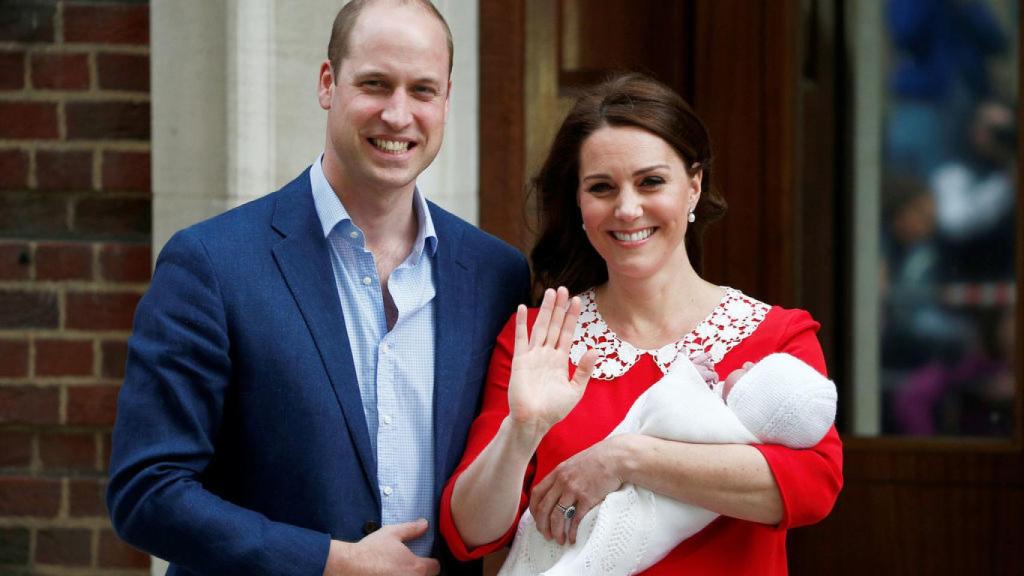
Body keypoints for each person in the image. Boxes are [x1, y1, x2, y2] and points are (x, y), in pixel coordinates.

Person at [106, 1, 528, 575]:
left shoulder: (496, 275)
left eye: (422, 90)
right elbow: (146, 493)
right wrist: (327, 562)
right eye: (375, 84)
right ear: (328, 83)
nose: (398, 115)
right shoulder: (210, 263)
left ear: (447, 99)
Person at [440, 73, 843, 574]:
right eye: (602, 188)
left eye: (651, 181)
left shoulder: (776, 336)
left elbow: (812, 487)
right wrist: (521, 432)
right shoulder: (542, 338)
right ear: (579, 205)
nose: (628, 209)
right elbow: (471, 534)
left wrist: (625, 459)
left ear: (693, 186)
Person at [500, 352, 837, 576]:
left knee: (594, 548)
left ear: (752, 400)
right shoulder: (540, 338)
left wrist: (685, 375)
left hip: (632, 512)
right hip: (565, 515)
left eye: (753, 374)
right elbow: (470, 527)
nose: (747, 364)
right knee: (560, 538)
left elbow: (663, 414)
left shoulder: (724, 427)